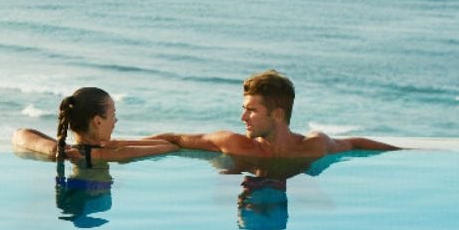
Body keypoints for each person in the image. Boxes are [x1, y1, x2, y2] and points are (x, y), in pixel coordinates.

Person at [148, 69, 399, 157]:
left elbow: (355, 143)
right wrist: (110, 145)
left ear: (277, 115)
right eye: (243, 110)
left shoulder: (314, 146)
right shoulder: (234, 144)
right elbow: (175, 138)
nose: (243, 118)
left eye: (252, 111)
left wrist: (404, 154)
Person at [13, 87, 178, 169]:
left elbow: (21, 134)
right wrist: (118, 144)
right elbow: (169, 146)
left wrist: (53, 149)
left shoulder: (68, 151)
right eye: (113, 115)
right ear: (98, 121)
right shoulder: (110, 154)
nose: (115, 121)